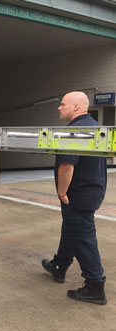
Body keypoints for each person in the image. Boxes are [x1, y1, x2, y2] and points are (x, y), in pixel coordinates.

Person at [41, 92, 107, 305]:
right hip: (92, 191)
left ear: (76, 107)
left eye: (63, 104)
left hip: (77, 194)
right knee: (72, 228)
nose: (59, 108)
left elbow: (67, 165)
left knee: (83, 237)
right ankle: (59, 266)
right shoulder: (95, 126)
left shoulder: (73, 132)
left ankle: (95, 286)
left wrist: (62, 192)